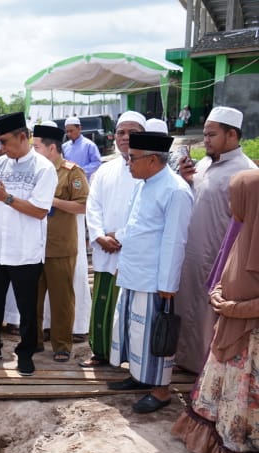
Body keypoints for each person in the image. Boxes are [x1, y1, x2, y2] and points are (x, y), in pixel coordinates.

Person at [171, 169, 259, 453]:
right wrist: (219, 292)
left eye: (235, 198)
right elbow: (228, 269)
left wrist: (232, 309)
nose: (230, 205)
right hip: (230, 331)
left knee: (244, 400)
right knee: (225, 393)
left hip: (251, 342)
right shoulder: (246, 231)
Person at [107, 131, 194, 413]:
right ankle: (139, 376)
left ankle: (160, 391)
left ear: (153, 160)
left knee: (155, 336)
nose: (128, 162)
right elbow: (136, 226)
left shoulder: (176, 190)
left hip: (155, 279)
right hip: (134, 271)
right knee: (134, 331)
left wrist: (168, 282)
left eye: (132, 158)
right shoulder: (144, 184)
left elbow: (175, 240)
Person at [0, 112, 57, 375]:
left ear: (22, 137)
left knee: (27, 308)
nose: (1, 147)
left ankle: (26, 352)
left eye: (5, 141)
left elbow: (41, 211)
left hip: (25, 251)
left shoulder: (44, 168)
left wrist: (6, 198)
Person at [174, 106, 257, 374]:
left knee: (208, 317)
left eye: (211, 135)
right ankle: (185, 362)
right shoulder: (205, 164)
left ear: (231, 135)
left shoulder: (245, 172)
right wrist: (186, 180)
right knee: (185, 311)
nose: (205, 140)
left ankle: (205, 373)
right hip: (190, 257)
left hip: (217, 261)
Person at [80, 111, 146, 368]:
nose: (126, 137)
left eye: (133, 132)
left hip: (134, 251)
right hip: (105, 250)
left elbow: (145, 211)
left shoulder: (150, 169)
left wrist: (119, 237)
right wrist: (98, 235)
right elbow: (92, 205)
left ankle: (129, 357)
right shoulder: (105, 170)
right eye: (121, 132)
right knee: (103, 302)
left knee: (130, 307)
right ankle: (100, 352)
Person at [31, 124, 89, 362]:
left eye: (36, 147)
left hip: (60, 247)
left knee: (61, 299)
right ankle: (33, 342)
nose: (32, 151)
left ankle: (62, 345)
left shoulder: (71, 173)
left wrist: (52, 201)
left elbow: (83, 205)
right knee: (32, 299)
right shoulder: (33, 170)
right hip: (35, 246)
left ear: (51, 148)